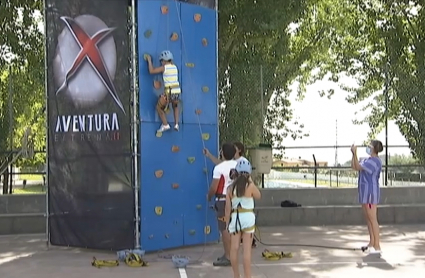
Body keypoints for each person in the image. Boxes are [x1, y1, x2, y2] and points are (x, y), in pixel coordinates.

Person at [225, 159, 261, 278]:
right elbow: (258, 196)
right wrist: (250, 180)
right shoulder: (250, 186)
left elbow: (227, 208)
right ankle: (248, 276)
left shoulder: (230, 188)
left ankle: (236, 275)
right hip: (248, 218)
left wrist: (227, 223)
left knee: (234, 248)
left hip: (235, 218)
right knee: (247, 250)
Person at [351, 140, 383, 255]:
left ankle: (377, 246)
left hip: (370, 193)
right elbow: (355, 166)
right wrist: (353, 155)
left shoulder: (375, 162)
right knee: (368, 218)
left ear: (374, 148)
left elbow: (359, 167)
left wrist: (355, 154)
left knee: (372, 218)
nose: (368, 147)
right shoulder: (367, 160)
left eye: (370, 146)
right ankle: (372, 242)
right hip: (364, 192)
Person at [207, 142, 237, 267]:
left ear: (222, 153)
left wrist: (208, 196)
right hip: (237, 199)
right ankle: (232, 254)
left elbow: (214, 187)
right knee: (234, 228)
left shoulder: (219, 168)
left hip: (223, 200)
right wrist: (209, 155)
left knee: (224, 228)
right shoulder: (238, 165)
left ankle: (228, 256)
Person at [146, 50, 181, 133]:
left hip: (169, 92)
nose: (161, 63)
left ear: (164, 60)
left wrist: (149, 61)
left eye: (161, 61)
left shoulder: (164, 67)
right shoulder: (175, 67)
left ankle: (165, 125)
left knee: (159, 108)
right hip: (176, 91)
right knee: (175, 106)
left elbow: (152, 71)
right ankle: (176, 124)